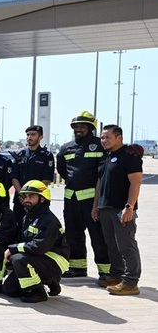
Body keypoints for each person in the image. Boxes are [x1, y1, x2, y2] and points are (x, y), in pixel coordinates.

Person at [56, 112, 110, 279]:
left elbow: (104, 174)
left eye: (82, 126)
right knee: (73, 235)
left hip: (92, 202)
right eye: (76, 127)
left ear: (90, 128)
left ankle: (106, 271)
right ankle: (77, 268)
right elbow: (62, 169)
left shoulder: (99, 146)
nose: (78, 129)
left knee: (98, 236)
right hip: (71, 200)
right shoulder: (66, 147)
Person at [93, 125, 143, 295]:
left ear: (119, 137)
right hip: (105, 208)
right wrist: (95, 206)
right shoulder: (105, 157)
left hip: (122, 209)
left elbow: (135, 183)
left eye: (107, 137)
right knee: (111, 245)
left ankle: (131, 282)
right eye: (102, 137)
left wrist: (129, 206)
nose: (103, 141)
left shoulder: (129, 156)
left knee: (126, 245)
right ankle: (116, 275)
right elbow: (99, 185)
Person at [3, 180, 69, 303]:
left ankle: (38, 292)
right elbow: (24, 240)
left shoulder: (48, 220)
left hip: (54, 260)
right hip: (38, 257)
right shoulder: (29, 216)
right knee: (9, 290)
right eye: (25, 196)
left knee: (19, 259)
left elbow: (40, 246)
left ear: (42, 199)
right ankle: (48, 281)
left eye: (31, 196)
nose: (27, 200)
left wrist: (14, 248)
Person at [11, 125, 54, 234]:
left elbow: (47, 179)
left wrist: (30, 196)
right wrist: (22, 195)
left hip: (38, 201)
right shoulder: (20, 155)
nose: (29, 137)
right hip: (20, 200)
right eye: (28, 135)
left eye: (33, 135)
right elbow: (14, 177)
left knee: (38, 230)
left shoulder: (46, 156)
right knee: (18, 229)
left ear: (41, 137)